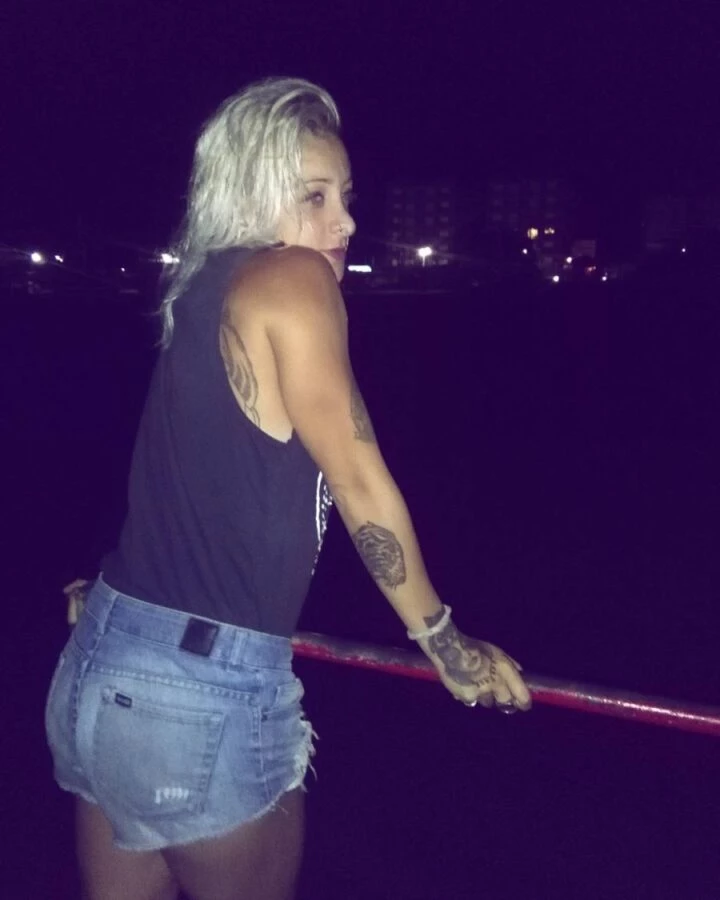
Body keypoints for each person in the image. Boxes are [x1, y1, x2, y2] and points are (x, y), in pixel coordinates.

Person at [45, 76, 531, 900]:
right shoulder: (292, 279)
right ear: (250, 195)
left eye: (345, 196)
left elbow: (174, 475)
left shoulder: (204, 286)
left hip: (102, 663)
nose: (345, 221)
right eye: (314, 196)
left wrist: (112, 593)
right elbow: (361, 483)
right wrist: (446, 643)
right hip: (199, 696)